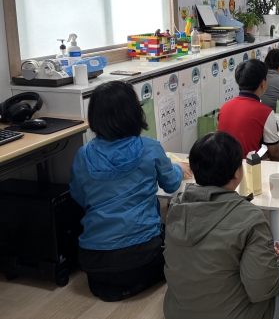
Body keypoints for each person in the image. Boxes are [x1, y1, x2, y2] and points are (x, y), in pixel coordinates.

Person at [69, 81, 192, 302]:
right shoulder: (149, 147)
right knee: (181, 246)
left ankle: (118, 286)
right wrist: (178, 168)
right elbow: (172, 185)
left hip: (93, 261)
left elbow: (79, 196)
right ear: (134, 112)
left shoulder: (82, 154)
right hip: (142, 257)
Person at [163, 132, 279, 319]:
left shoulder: (176, 207)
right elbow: (262, 289)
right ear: (237, 173)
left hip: (176, 313)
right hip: (237, 314)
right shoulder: (251, 218)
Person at [218, 59, 279, 161]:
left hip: (223, 165)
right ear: (263, 83)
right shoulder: (265, 112)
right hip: (248, 167)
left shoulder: (225, 107)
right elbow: (274, 152)